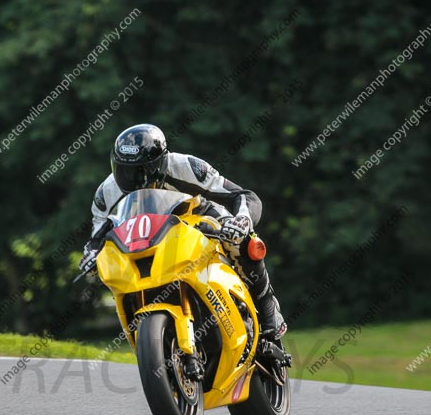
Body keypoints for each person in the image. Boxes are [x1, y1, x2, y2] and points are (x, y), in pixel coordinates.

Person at [79, 123, 287, 340]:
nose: (134, 180)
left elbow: (242, 195)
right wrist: (92, 254)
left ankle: (268, 308)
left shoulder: (186, 166)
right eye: (125, 171)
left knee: (245, 242)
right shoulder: (106, 192)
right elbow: (98, 235)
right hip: (144, 236)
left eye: (142, 172)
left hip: (197, 216)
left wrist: (242, 220)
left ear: (160, 163)